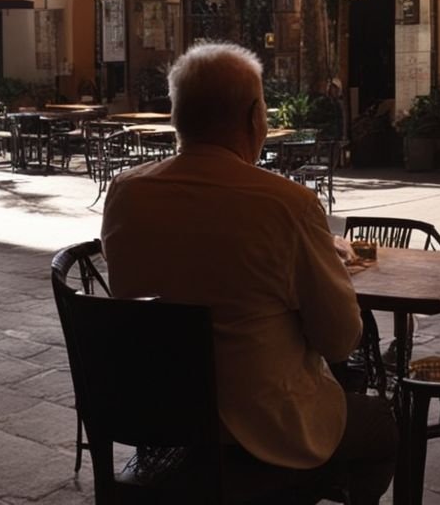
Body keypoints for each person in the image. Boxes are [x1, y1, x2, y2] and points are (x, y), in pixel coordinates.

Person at [101, 42, 396, 502]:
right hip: (264, 431)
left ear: (177, 115)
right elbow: (340, 339)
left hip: (160, 418)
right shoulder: (286, 204)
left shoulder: (126, 192)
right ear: (255, 117)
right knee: (382, 424)